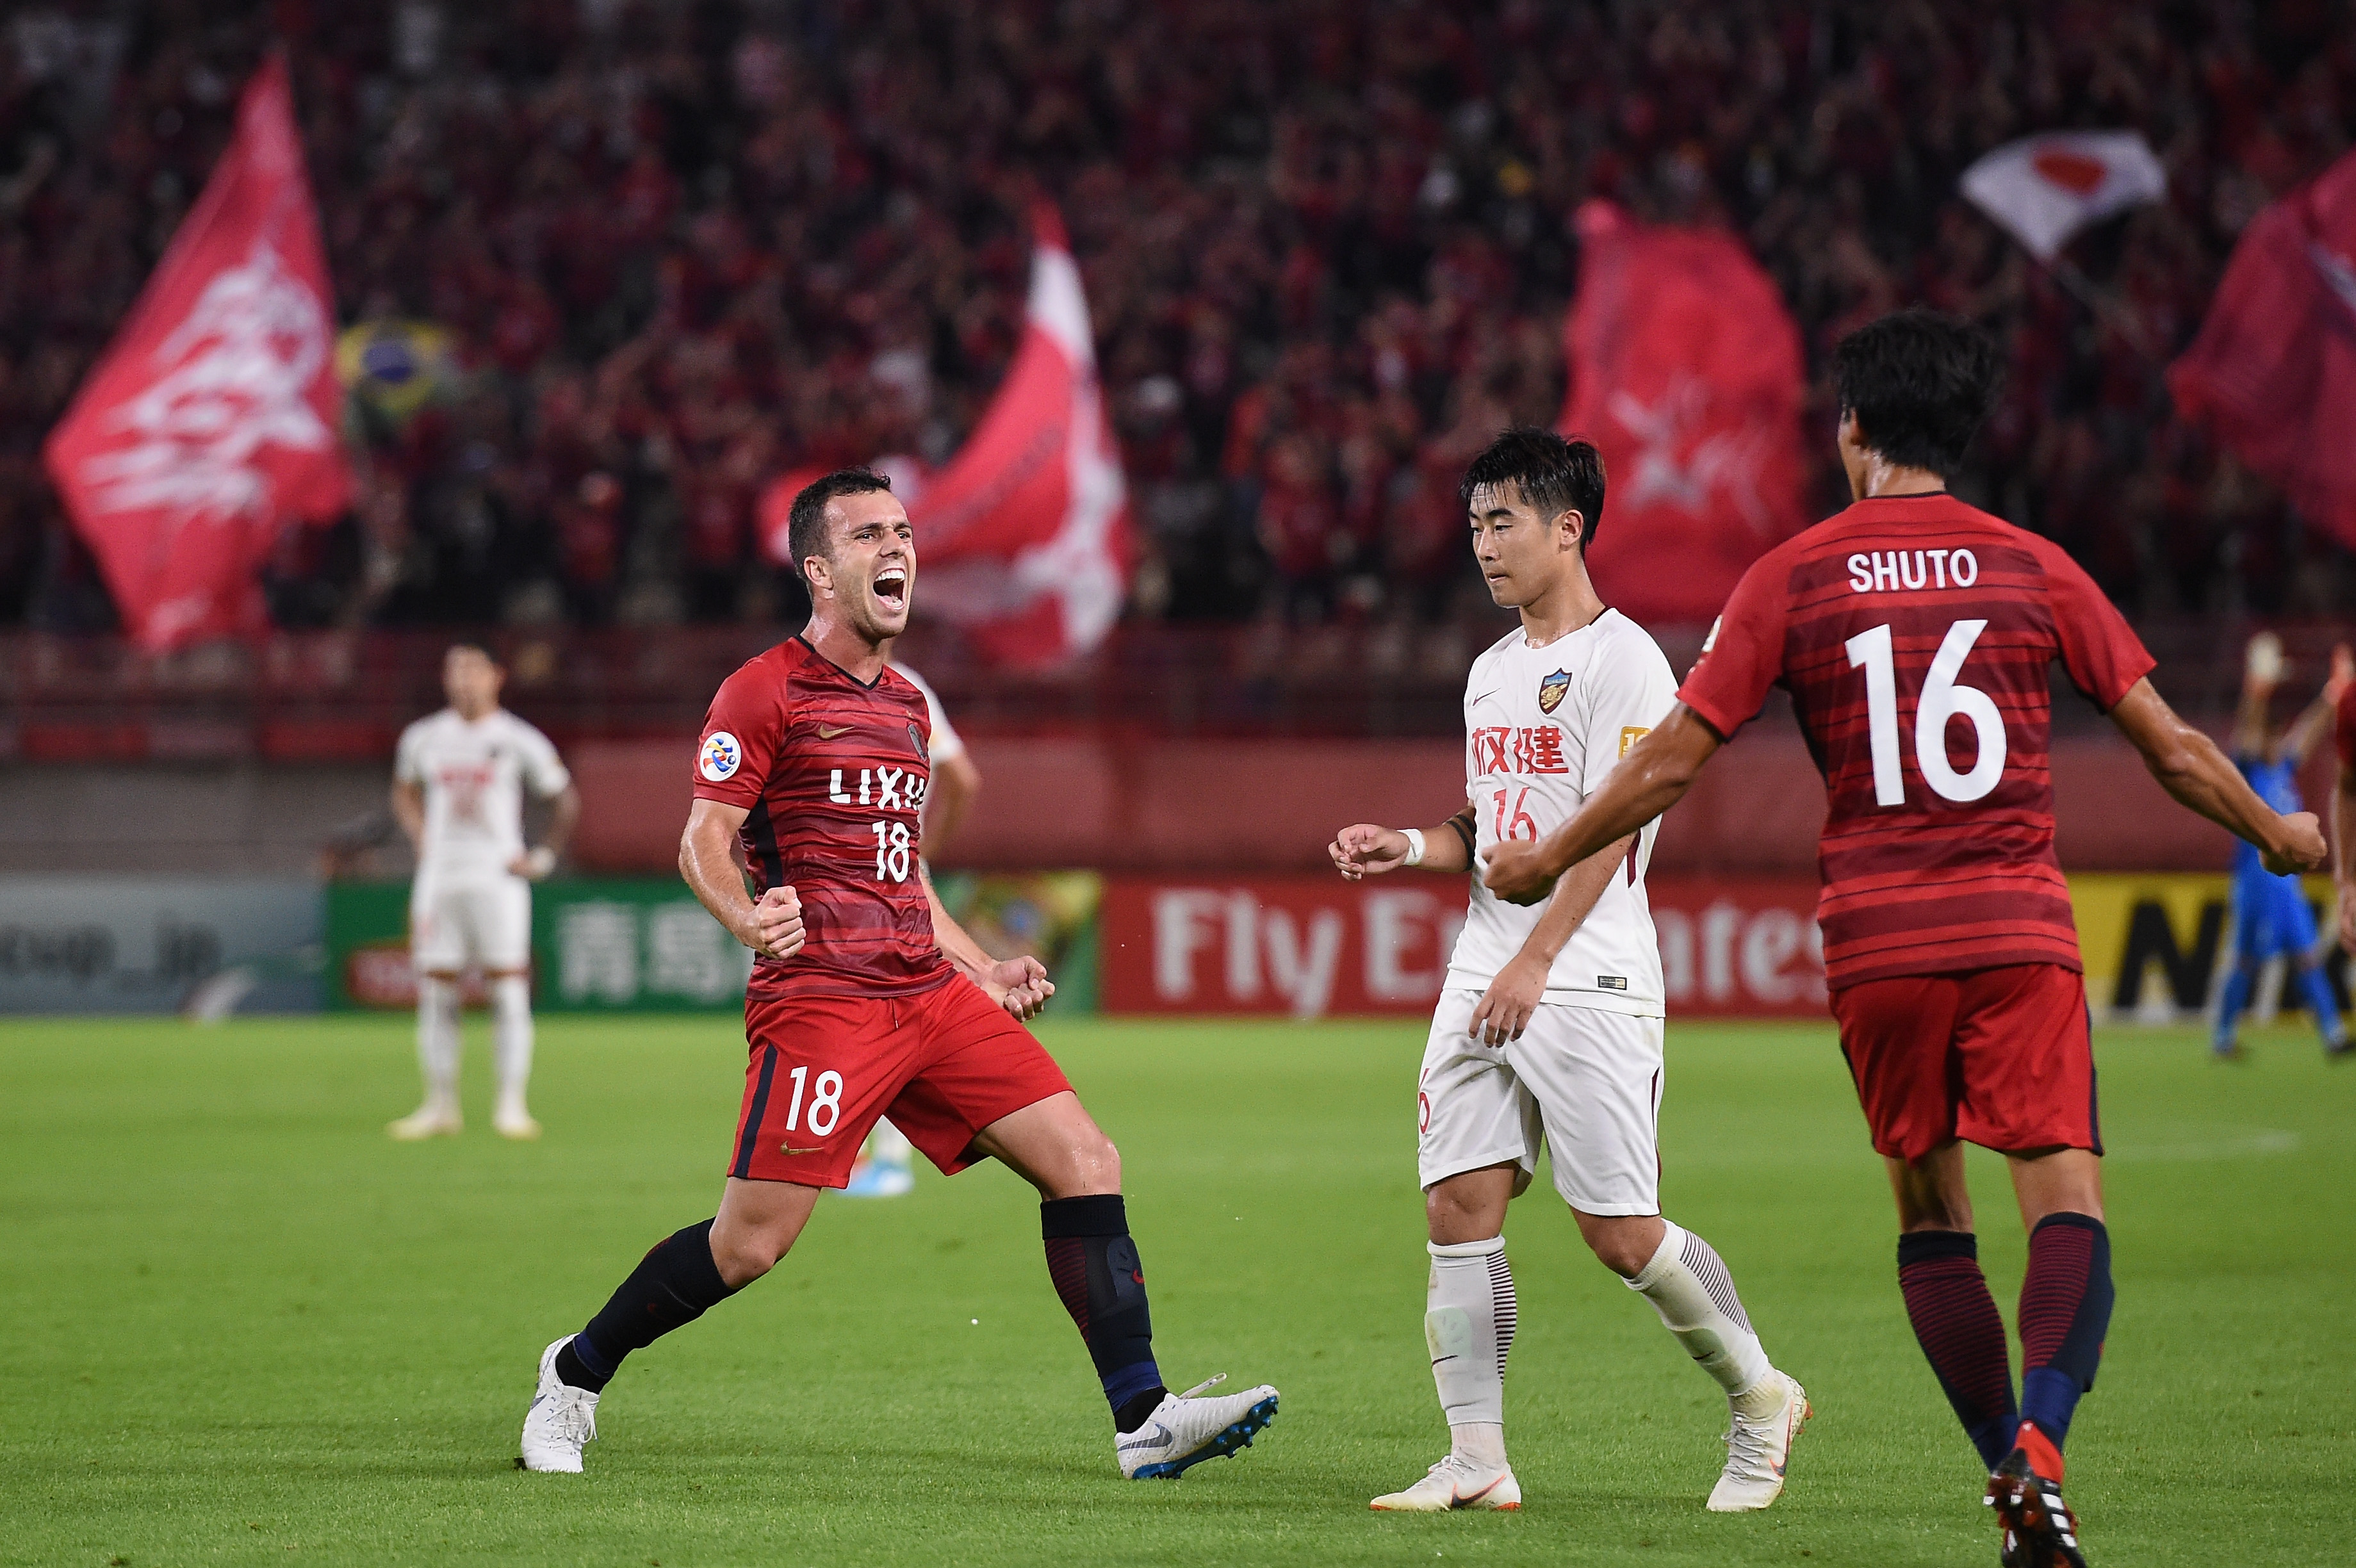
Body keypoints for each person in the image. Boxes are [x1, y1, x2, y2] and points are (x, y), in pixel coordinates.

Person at [1483, 310, 2328, 1568]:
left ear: (1855, 431)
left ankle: (2004, 1471)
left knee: (1934, 1218)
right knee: (2066, 1198)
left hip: (1878, 940)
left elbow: (1671, 761)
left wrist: (1549, 854)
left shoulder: (1793, 573)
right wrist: (2277, 831)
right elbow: (2171, 744)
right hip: (2019, 926)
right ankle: (2040, 1451)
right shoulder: (2032, 564)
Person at [516, 468, 1278, 1478]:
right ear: (819, 571)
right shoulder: (763, 689)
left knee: (1087, 1162)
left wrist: (982, 964)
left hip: (926, 992)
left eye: (905, 533)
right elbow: (702, 838)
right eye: (871, 535)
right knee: (749, 1246)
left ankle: (1141, 1418)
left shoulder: (913, 707)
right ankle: (572, 1375)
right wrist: (746, 918)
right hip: (822, 1000)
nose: (898, 550)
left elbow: (903, 873)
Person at [1329, 429, 1807, 1516]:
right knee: (1456, 1204)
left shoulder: (1623, 658)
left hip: (1582, 974)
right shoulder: (1489, 670)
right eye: (1474, 525)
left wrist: (1536, 960)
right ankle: (1475, 1457)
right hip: (1483, 963)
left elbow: (1610, 832)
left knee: (1617, 1229)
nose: (1483, 545)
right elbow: (1491, 825)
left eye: (1502, 521)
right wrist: (1408, 846)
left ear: (1567, 526)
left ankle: (1759, 1394)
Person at [387, 644, 578, 1141]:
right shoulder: (424, 737)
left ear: (497, 676)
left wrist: (543, 855)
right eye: (455, 670)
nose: (464, 680)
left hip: (498, 877)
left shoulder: (517, 739)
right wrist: (419, 834)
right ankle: (439, 1104)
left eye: (473, 669)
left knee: (509, 989)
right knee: (436, 990)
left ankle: (511, 1104)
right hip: (440, 876)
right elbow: (403, 789)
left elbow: (563, 797)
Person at [841, 660, 984, 1198]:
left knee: (876, 1012)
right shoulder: (910, 685)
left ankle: (891, 1159)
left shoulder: (823, 681)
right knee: (878, 1009)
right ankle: (863, 1152)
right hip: (896, 868)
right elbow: (964, 780)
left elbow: (966, 780)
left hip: (857, 874)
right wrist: (927, 847)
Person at [2214, 635, 2351, 1059]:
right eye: (2275, 735)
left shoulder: (2283, 771)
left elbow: (2309, 731)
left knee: (2305, 955)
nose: (2280, 741)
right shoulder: (2251, 772)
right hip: (2255, 881)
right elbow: (2247, 732)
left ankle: (2333, 1034)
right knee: (2247, 961)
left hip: (2282, 883)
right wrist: (2256, 690)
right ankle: (2223, 1038)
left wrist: (2335, 693)